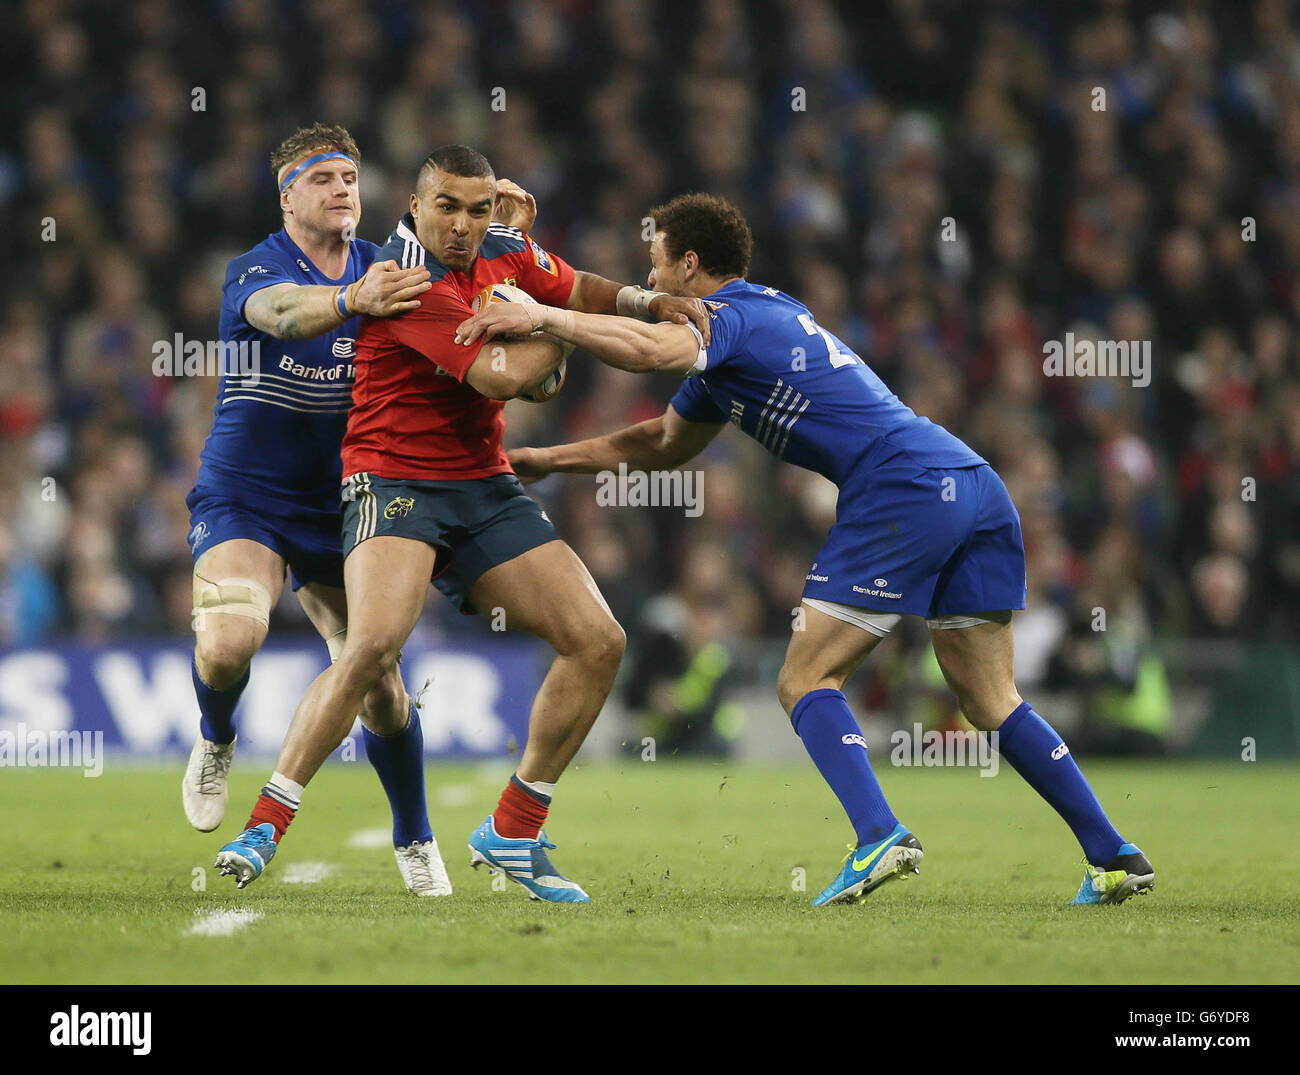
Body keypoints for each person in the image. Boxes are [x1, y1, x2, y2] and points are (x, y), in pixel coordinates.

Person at [456, 192, 1156, 907]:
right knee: (988, 697)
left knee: (803, 678)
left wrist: (546, 315)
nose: (648, 276)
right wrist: (546, 458)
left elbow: (653, 349)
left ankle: (878, 833)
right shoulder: (757, 324)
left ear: (690, 265)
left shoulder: (725, 318)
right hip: (969, 481)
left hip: (900, 485)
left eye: (655, 260)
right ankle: (1112, 853)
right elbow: (661, 443)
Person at [213, 145, 709, 902]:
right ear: (415, 207)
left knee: (600, 639)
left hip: (482, 481)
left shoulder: (506, 250)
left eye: (479, 210)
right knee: (374, 645)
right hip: (392, 475)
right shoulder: (407, 278)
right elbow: (502, 374)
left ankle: (513, 828)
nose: (463, 225)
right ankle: (267, 819)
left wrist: (645, 304)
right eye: (447, 206)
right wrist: (555, 324)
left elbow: (579, 285)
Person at [187, 122, 535, 896]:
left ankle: (414, 837)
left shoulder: (394, 266)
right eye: (323, 179)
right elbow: (281, 315)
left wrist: (507, 235)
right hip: (248, 495)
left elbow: (471, 298)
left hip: (346, 498)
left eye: (350, 177)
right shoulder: (255, 267)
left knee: (378, 680)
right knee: (228, 641)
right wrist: (350, 298)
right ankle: (216, 736)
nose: (343, 189)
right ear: (287, 197)